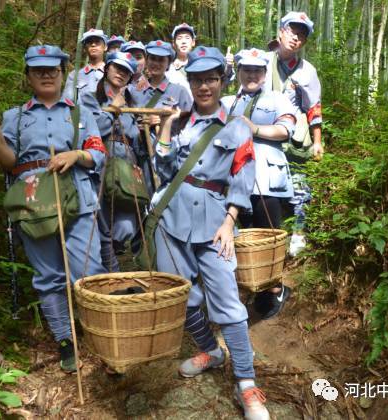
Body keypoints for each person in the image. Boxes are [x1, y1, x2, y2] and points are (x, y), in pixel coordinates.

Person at [0, 45, 108, 372]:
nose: (47, 74)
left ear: (63, 73)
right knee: (48, 276)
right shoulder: (14, 117)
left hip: (77, 195)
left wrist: (75, 155)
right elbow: (9, 164)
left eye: (53, 69)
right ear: (28, 76)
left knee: (89, 273)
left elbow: (98, 153)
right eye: (39, 70)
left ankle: (104, 337)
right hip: (34, 201)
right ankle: (65, 340)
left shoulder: (80, 112)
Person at [154, 46, 269, 420]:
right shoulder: (182, 120)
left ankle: (247, 384)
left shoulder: (236, 127)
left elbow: (243, 177)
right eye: (197, 79)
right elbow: (164, 165)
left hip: (214, 219)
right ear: (189, 82)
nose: (204, 86)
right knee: (181, 295)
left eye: (211, 79)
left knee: (227, 303)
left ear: (222, 82)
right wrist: (167, 126)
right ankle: (211, 351)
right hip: (172, 218)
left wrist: (230, 221)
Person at [222, 48, 297, 319]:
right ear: (239, 72)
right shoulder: (229, 101)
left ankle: (275, 288)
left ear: (265, 74)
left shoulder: (278, 98)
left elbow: (285, 129)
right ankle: (255, 284)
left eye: (257, 70)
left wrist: (255, 129)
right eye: (246, 70)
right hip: (236, 178)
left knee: (269, 233)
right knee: (244, 235)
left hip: (266, 177)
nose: (251, 74)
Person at [263, 12, 323, 258]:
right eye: (292, 32)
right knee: (264, 187)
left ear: (304, 42)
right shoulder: (263, 61)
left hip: (294, 138)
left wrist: (318, 141)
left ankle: (298, 233)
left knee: (299, 187)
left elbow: (314, 108)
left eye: (301, 35)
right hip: (264, 134)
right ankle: (267, 238)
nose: (295, 38)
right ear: (280, 32)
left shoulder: (307, 71)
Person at [79, 52, 141, 271]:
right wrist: (113, 109)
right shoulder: (90, 98)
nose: (121, 74)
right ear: (108, 68)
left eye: (127, 71)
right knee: (102, 222)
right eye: (117, 68)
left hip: (126, 167)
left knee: (125, 226)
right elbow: (92, 130)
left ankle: (112, 263)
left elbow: (135, 137)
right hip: (100, 164)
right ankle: (109, 274)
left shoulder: (133, 102)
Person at [130, 40, 193, 194]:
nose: (155, 63)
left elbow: (191, 122)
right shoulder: (134, 91)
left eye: (161, 60)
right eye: (152, 58)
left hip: (169, 157)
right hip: (140, 156)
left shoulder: (179, 91)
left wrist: (165, 120)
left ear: (168, 63)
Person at [64, 28, 108, 100]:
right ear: (85, 49)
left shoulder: (113, 74)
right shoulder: (74, 76)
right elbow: (68, 101)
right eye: (89, 42)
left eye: (97, 42)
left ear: (105, 47)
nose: (93, 44)